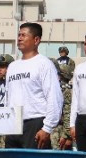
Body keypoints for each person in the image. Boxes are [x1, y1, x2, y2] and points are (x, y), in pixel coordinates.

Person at [5, 22, 63, 150]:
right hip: (13, 125)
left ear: (36, 40)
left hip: (35, 123)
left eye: (24, 35)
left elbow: (54, 97)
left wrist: (46, 128)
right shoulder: (12, 67)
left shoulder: (44, 64)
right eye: (19, 35)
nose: (19, 38)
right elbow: (8, 98)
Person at [52, 59, 74, 151]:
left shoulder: (67, 91)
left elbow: (68, 113)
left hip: (60, 131)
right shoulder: (55, 88)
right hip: (51, 127)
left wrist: (67, 136)